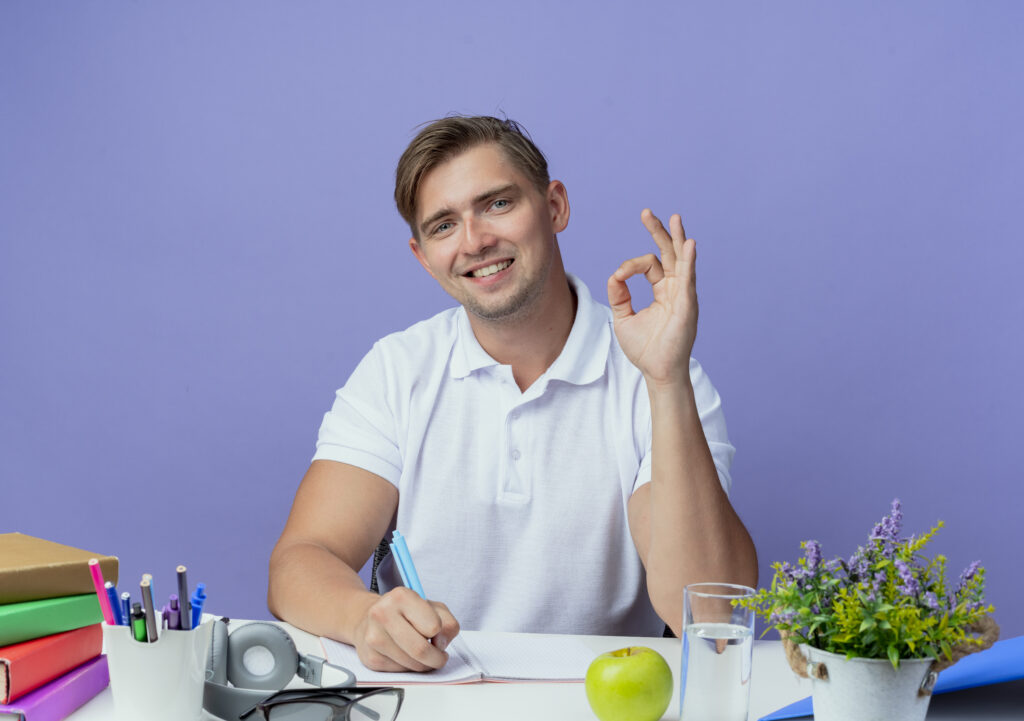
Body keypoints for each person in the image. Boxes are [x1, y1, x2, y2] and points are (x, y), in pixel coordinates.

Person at [267, 115, 757, 673]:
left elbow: (713, 614)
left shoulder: (664, 379)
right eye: (444, 225)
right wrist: (362, 617)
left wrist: (666, 381)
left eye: (497, 204)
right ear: (422, 256)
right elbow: (300, 562)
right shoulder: (396, 371)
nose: (475, 242)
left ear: (554, 207)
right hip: (434, 698)